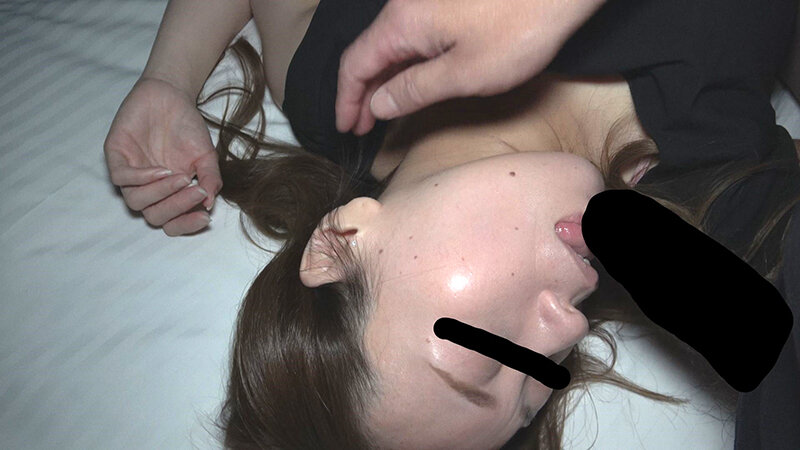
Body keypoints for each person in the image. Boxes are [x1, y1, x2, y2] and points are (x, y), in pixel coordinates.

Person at [103, 0, 800, 448]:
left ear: (341, 241)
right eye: (537, 384)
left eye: (485, 352)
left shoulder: (340, 86)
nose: (567, 329)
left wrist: (167, 79)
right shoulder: (711, 203)